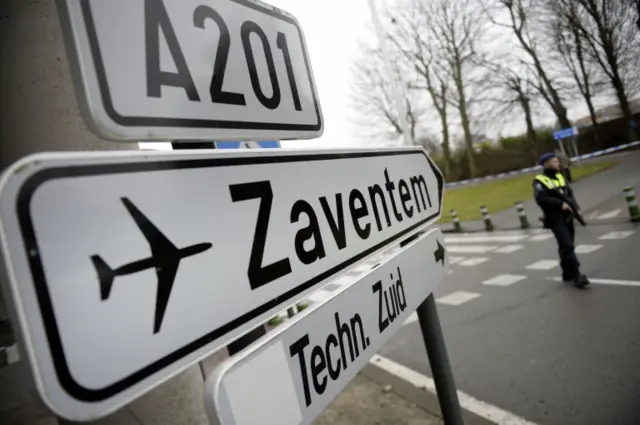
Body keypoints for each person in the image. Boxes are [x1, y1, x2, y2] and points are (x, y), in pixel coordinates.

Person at [533, 152, 589, 288]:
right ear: (546, 164)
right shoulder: (539, 180)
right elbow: (541, 199)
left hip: (568, 215)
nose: (557, 163)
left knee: (567, 246)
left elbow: (569, 193)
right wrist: (559, 204)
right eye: (554, 162)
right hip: (555, 217)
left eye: (557, 161)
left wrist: (575, 207)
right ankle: (577, 275)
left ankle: (566, 272)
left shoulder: (560, 176)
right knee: (567, 245)